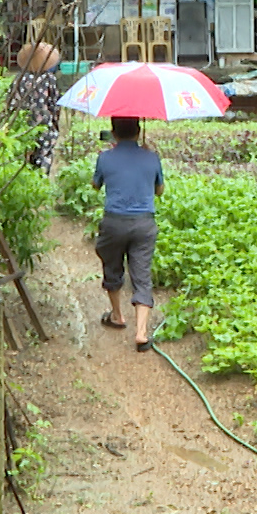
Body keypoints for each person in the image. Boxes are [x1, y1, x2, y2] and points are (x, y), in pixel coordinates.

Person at [93, 116, 164, 349]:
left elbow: (96, 185)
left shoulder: (105, 157)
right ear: (138, 130)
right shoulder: (152, 157)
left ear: (113, 132)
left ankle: (117, 316)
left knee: (112, 265)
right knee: (141, 274)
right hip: (144, 224)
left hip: (114, 222)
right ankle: (141, 333)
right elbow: (160, 191)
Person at [7, 41, 62, 171]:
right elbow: (54, 104)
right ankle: (42, 179)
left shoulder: (19, 78)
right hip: (43, 124)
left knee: (23, 157)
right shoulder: (49, 79)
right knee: (43, 156)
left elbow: (10, 102)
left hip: (23, 124)